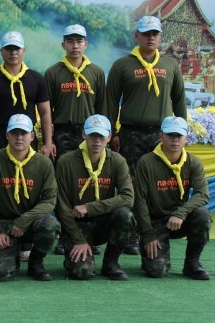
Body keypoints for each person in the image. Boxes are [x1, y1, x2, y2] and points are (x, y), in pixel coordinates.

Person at [107, 15, 187, 254]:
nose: (150, 38)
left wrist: (182, 131)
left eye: (155, 34)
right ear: (137, 36)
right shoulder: (122, 65)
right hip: (131, 134)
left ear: (160, 36)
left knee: (157, 184)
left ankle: (152, 231)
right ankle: (132, 232)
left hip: (162, 135)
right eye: (145, 33)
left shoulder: (171, 65)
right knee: (131, 183)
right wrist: (112, 132)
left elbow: (179, 100)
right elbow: (110, 101)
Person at [44, 24, 107, 255]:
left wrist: (104, 135)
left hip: (91, 134)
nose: (75, 46)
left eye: (79, 41)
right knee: (66, 183)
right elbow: (46, 110)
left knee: (90, 181)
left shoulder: (96, 73)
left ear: (86, 44)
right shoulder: (53, 73)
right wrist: (49, 140)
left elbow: (102, 108)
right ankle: (65, 236)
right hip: (63, 132)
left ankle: (90, 235)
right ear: (63, 44)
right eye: (70, 41)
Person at [55, 114, 134, 281]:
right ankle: (75, 256)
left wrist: (89, 207)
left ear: (109, 137)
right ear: (84, 134)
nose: (97, 141)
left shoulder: (117, 161)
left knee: (125, 215)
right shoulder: (66, 162)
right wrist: (78, 239)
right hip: (76, 224)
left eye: (101, 136)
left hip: (103, 222)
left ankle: (111, 263)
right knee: (82, 272)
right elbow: (61, 206)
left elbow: (128, 197)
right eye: (92, 135)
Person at [0, 114, 59, 281]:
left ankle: (36, 262)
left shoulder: (44, 163)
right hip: (4, 223)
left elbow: (49, 200)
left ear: (32, 136)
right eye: (14, 133)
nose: (19, 137)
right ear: (7, 135)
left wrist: (24, 220)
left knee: (50, 224)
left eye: (23, 133)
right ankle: (11, 255)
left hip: (30, 222)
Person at [134, 116, 211, 280]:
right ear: (161, 136)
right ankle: (148, 255)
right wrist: (147, 233)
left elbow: (202, 194)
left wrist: (181, 213)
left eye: (179, 135)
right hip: (155, 222)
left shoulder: (193, 162)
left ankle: (192, 264)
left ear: (186, 138)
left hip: (179, 220)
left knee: (202, 214)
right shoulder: (146, 162)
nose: (175, 140)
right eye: (170, 135)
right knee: (157, 271)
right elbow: (139, 200)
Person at [0, 31, 55, 161]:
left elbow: (45, 112)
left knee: (28, 172)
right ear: (1, 51)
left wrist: (48, 142)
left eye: (17, 48)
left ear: (24, 51)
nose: (13, 53)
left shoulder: (36, 79)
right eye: (8, 49)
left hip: (26, 136)